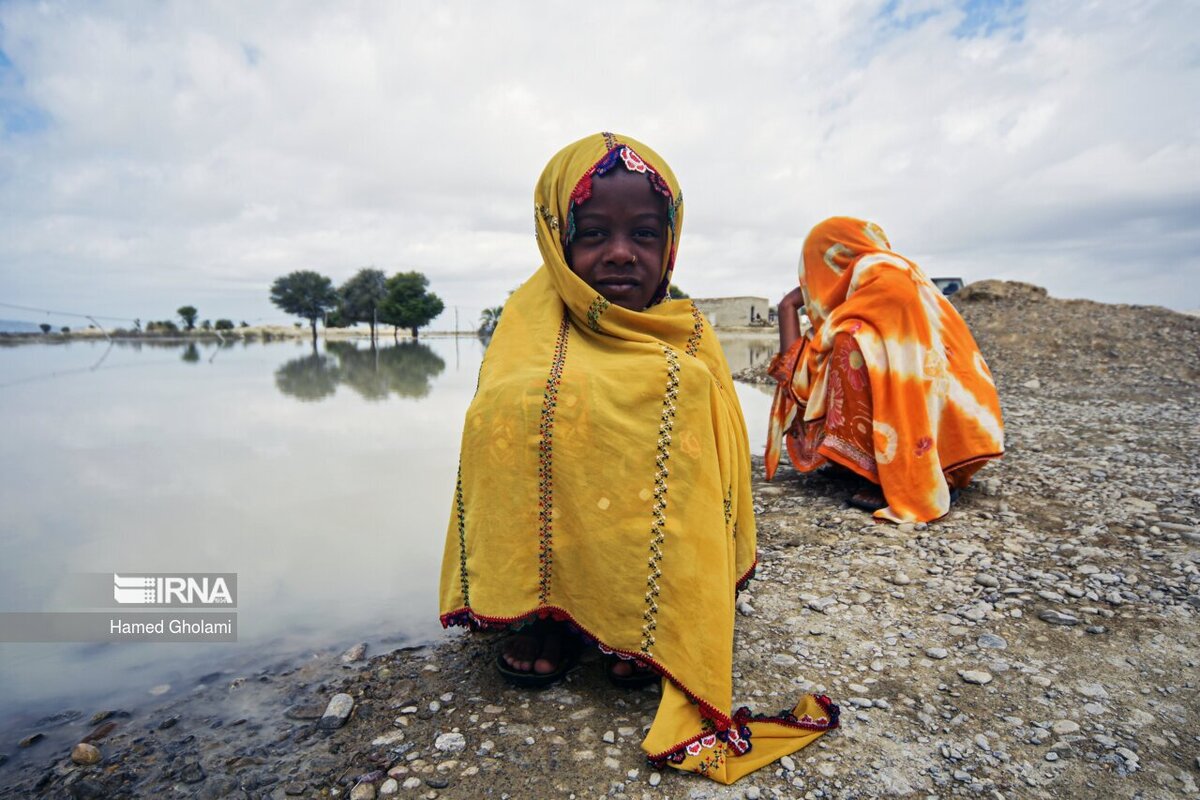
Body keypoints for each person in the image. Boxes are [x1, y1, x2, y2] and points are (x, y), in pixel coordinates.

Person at [439, 133, 837, 784]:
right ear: (558, 239)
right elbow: (494, 425)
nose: (621, 253)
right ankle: (552, 612)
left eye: (644, 235)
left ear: (670, 243)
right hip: (559, 525)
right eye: (594, 233)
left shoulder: (686, 329)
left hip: (637, 533)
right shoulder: (526, 317)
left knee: (682, 394)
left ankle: (646, 613)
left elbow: (722, 452)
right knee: (517, 405)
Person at [766, 216, 1004, 523]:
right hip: (958, 422)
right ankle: (860, 462)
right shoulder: (872, 277)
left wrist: (829, 331)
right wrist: (789, 305)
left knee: (849, 343)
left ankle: (885, 475)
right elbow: (793, 367)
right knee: (826, 352)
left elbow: (896, 316)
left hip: (932, 405)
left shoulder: (879, 268)